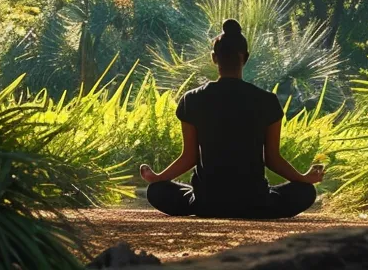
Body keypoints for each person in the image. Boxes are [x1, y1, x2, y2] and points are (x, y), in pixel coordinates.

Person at [138, 19, 325, 218]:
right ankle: (258, 205)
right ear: (245, 58)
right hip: (255, 203)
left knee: (156, 191)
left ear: (214, 58)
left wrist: (158, 178)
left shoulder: (192, 99)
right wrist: (303, 179)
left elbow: (189, 157)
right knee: (305, 192)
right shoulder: (266, 101)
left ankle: (201, 202)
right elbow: (273, 159)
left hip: (206, 203)